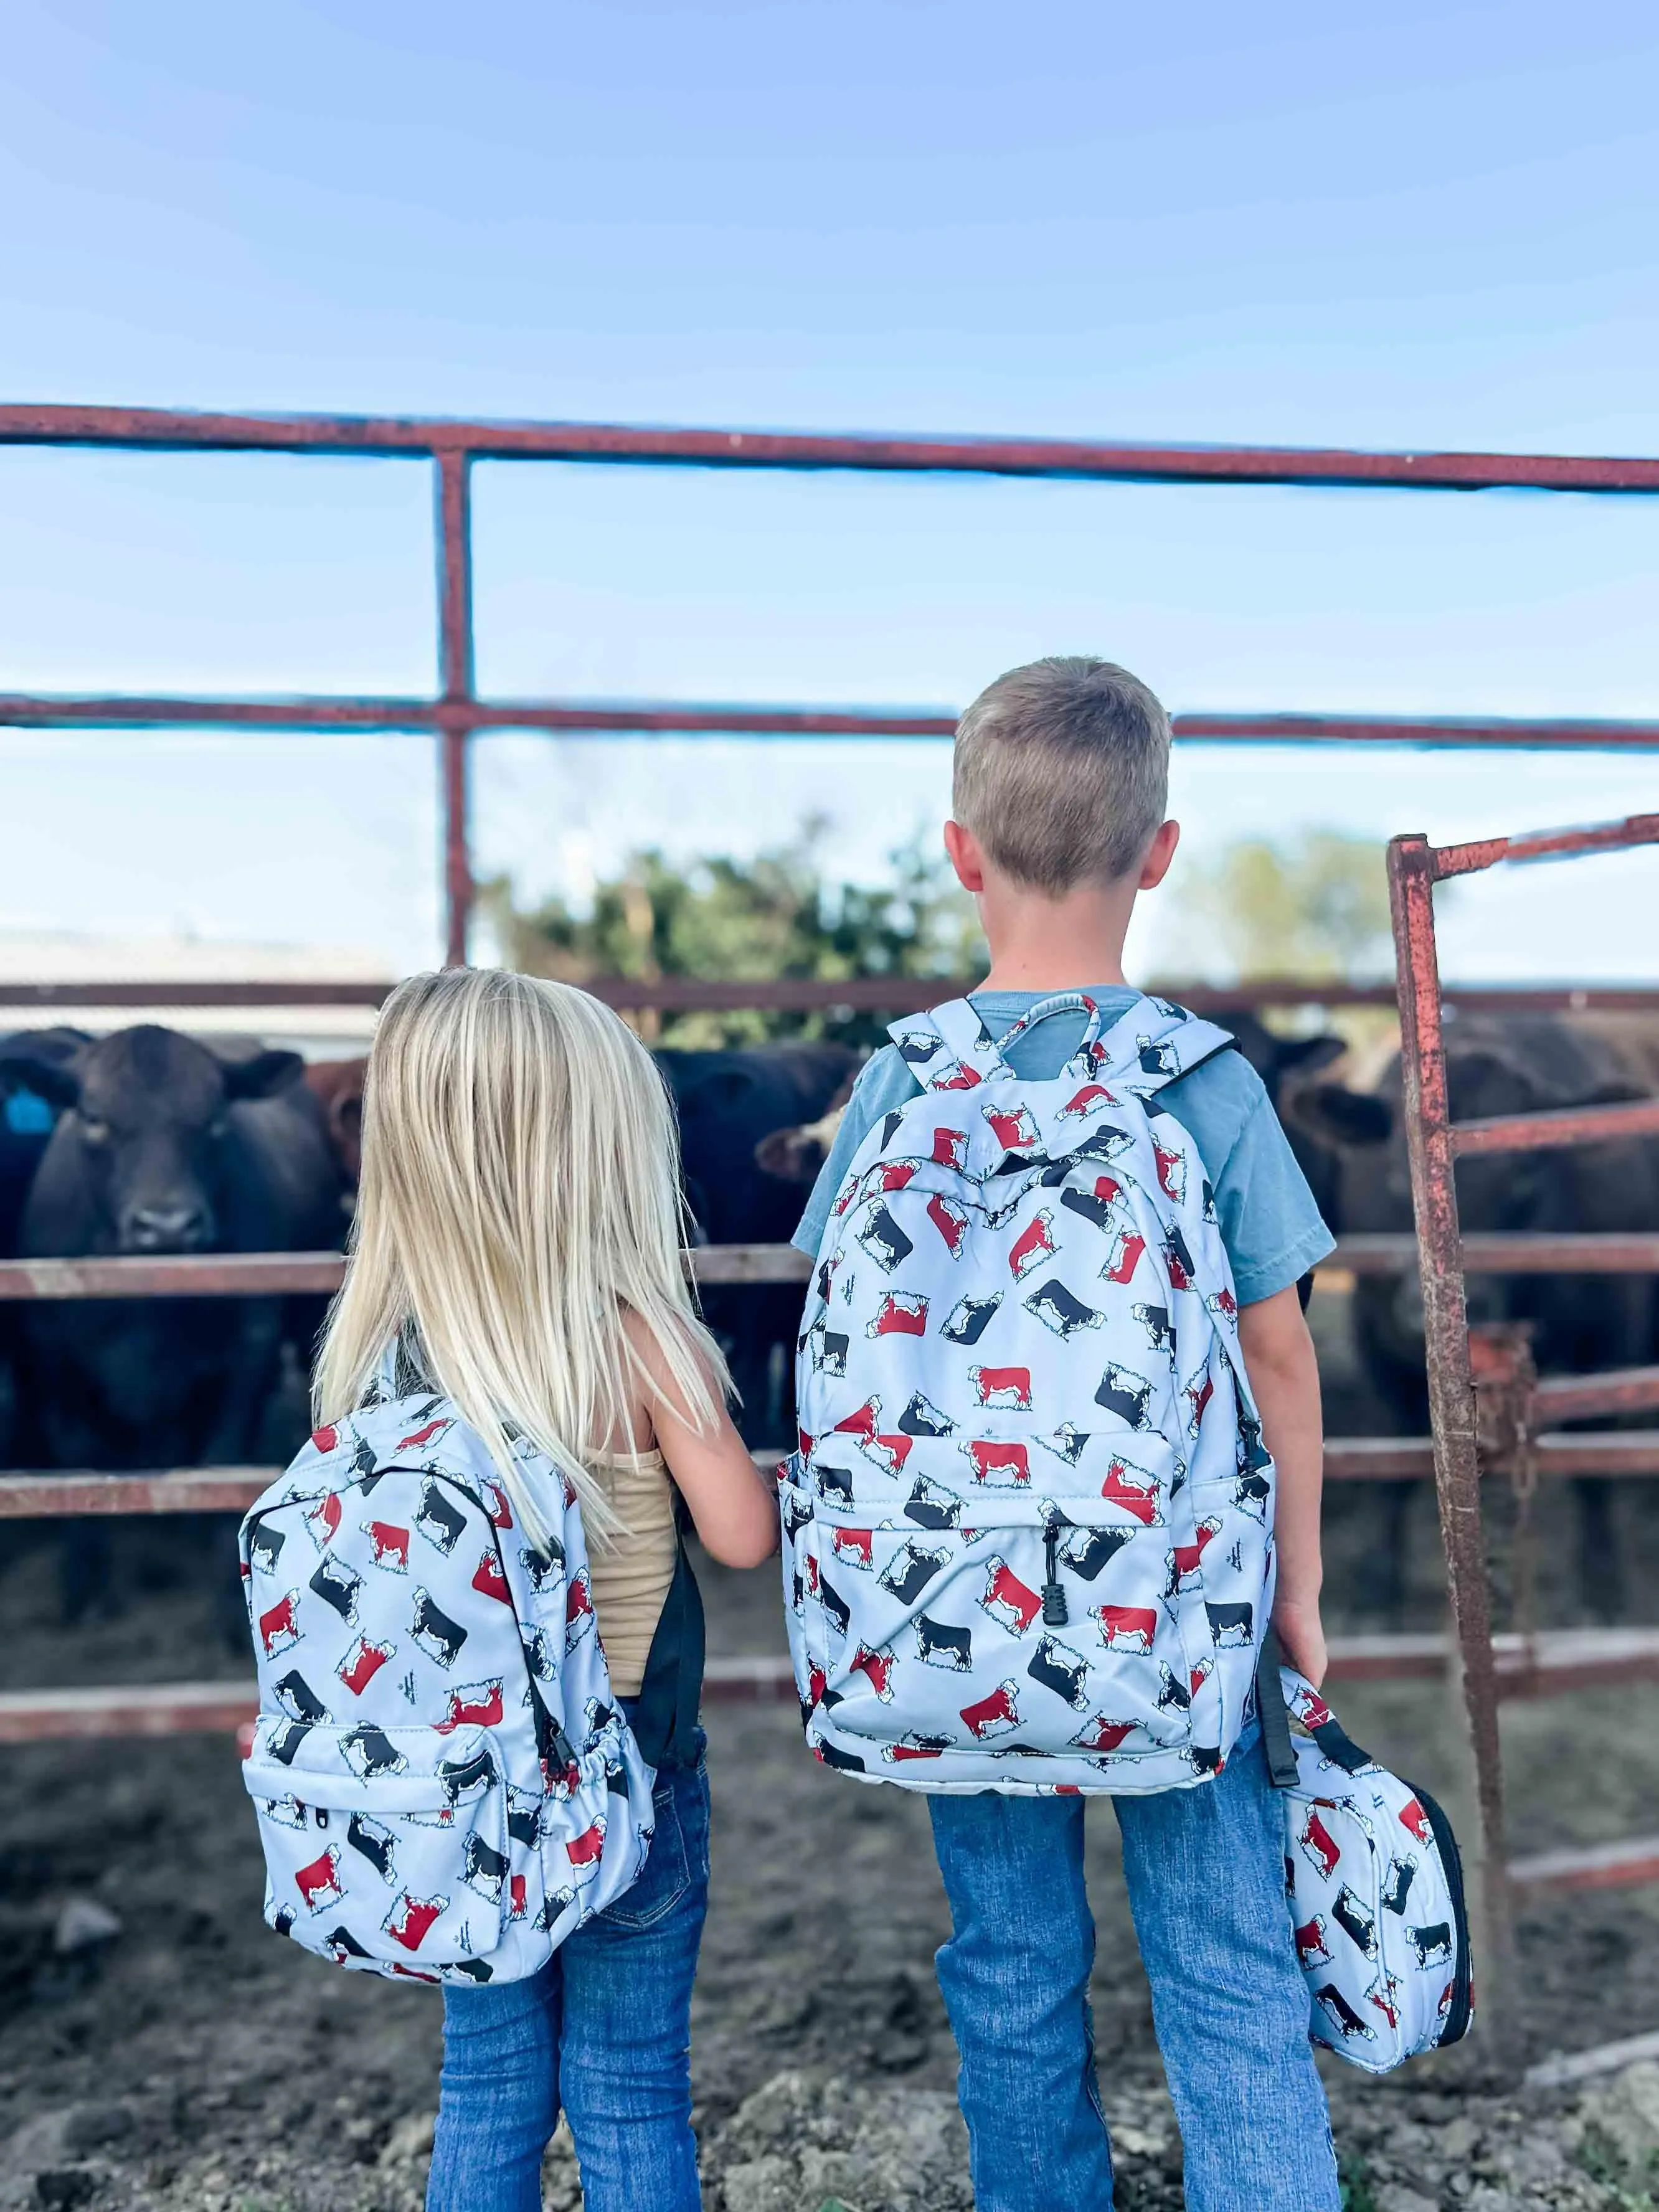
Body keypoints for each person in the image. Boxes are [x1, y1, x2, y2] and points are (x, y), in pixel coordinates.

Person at [791, 658, 1341, 2212]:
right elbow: (1281, 1361)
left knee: (1014, 1968)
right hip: (1169, 1599)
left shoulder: (898, 1083)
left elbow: (837, 1336)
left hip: (950, 1603)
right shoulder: (1206, 1084)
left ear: (959, 850)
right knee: (1230, 1960)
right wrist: (1294, 1588)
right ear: (1159, 851)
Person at [311, 967, 778, 2212]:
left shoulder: (379, 1357)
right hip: (633, 1769)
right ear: (601, 1149)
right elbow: (740, 1538)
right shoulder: (643, 1339)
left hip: (461, 1781)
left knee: (487, 2084)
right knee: (630, 2087)